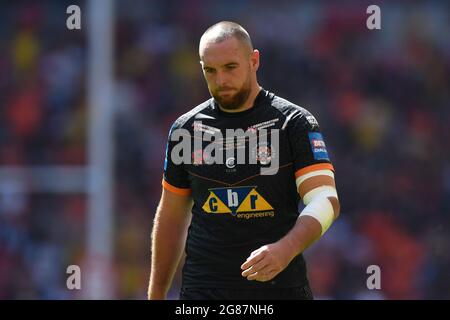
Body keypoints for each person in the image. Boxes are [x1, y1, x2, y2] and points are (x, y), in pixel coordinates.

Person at [148, 21, 340, 300]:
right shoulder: (185, 130)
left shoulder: (294, 123)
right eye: (210, 71)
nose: (221, 80)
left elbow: (325, 200)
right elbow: (171, 216)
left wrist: (285, 250)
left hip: (279, 289)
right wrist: (155, 295)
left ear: (254, 61)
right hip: (202, 293)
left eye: (230, 67)